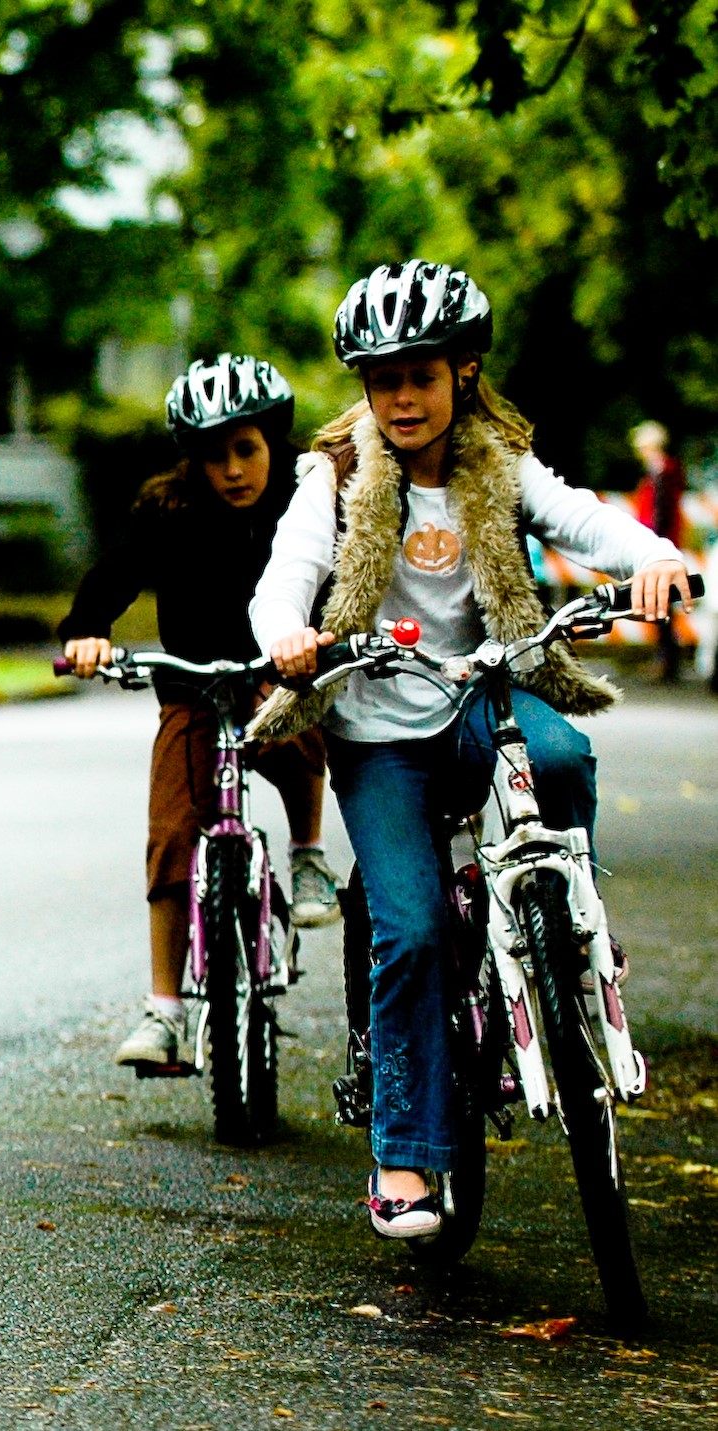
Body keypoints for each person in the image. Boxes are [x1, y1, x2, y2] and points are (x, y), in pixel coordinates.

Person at [254, 261, 690, 1239]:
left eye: (421, 374)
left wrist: (654, 556)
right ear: (364, 388)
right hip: (378, 730)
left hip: (483, 705)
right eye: (381, 378)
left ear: (462, 372)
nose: (402, 397)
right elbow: (290, 570)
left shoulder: (497, 464)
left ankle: (562, 920)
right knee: (405, 930)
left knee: (566, 756)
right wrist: (285, 629)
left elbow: (582, 517)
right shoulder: (336, 476)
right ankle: (404, 1157)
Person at [57, 354, 340, 1073]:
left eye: (247, 450)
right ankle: (165, 1008)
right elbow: (112, 576)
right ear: (194, 462)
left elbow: (340, 578)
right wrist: (86, 631)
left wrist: (325, 642)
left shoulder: (303, 503)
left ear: (274, 442)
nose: (234, 470)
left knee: (298, 728)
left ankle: (308, 855)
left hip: (275, 676)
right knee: (172, 830)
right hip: (191, 690)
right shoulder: (167, 510)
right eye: (214, 457)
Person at [631, 421, 690, 683]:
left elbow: (660, 513)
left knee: (662, 603)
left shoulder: (662, 471)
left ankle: (667, 661)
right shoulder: (662, 471)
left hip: (659, 544)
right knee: (662, 604)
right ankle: (666, 659)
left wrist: (655, 542)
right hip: (660, 541)